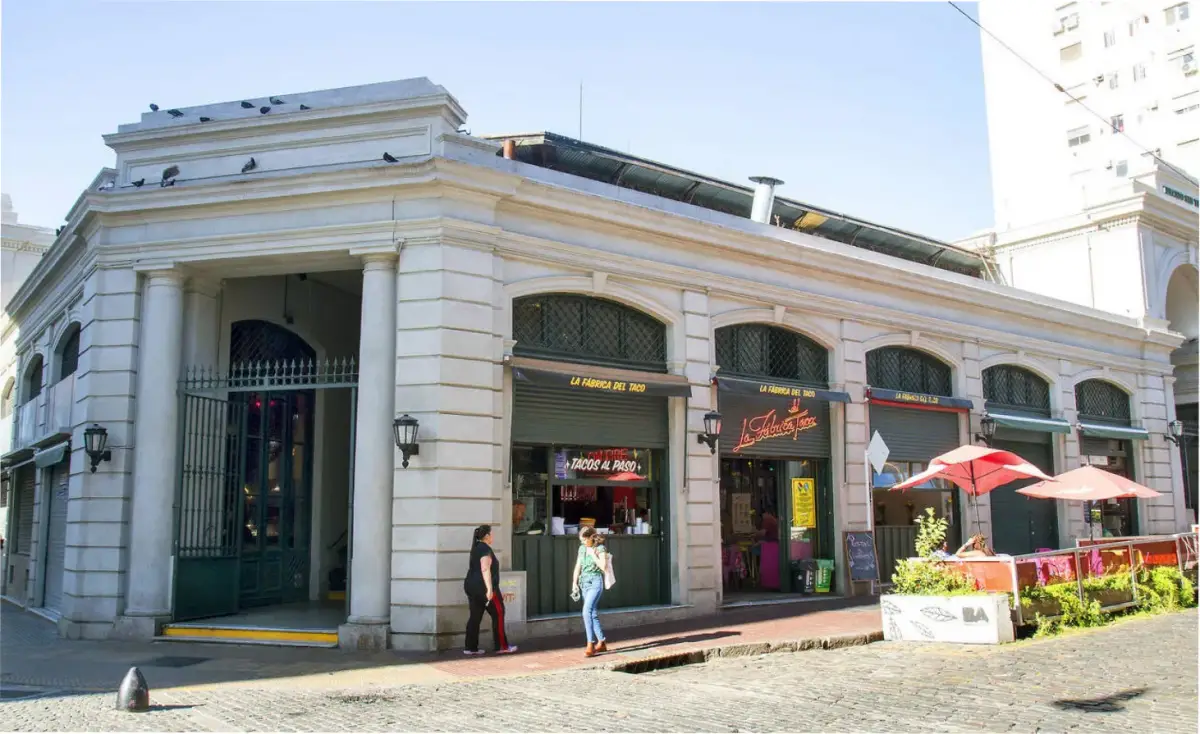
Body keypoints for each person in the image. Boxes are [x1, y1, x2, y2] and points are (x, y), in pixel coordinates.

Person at [463, 525, 518, 655]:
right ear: (487, 536)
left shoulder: (476, 548)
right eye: (491, 534)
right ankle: (502, 646)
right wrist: (489, 589)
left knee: (475, 616)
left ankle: (470, 647)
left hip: (471, 586)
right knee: (498, 613)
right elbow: (485, 568)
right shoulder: (485, 549)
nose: (493, 536)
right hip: (484, 587)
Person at [571, 527, 609, 657]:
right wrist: (574, 583)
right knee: (592, 613)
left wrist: (593, 554)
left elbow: (603, 566)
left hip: (595, 581)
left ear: (590, 538)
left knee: (586, 611)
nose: (582, 543)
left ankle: (590, 644)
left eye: (583, 540)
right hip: (584, 582)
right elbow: (578, 566)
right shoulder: (581, 549)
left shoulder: (600, 548)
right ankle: (602, 642)